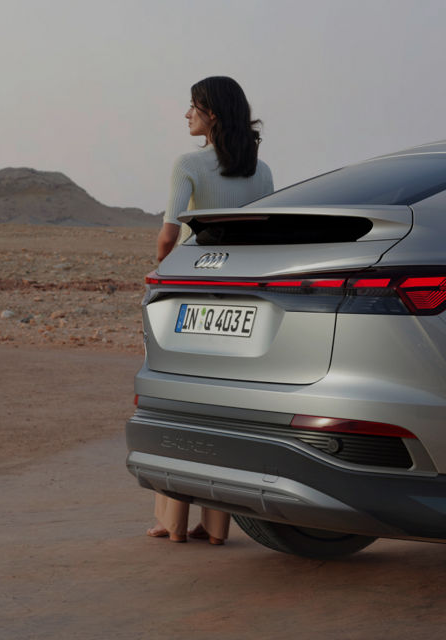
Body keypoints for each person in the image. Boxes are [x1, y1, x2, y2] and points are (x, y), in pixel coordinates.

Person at [146, 76, 274, 545]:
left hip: (190, 293)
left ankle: (172, 522)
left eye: (192, 107)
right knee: (222, 406)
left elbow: (167, 235)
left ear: (211, 113)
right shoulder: (261, 171)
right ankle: (216, 526)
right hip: (240, 298)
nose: (186, 115)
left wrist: (164, 277)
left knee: (178, 403)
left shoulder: (189, 164)